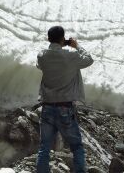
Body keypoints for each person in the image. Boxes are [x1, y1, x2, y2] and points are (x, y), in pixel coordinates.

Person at [36, 25, 94, 173]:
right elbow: (89, 60)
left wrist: (59, 45)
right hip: (65, 108)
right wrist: (76, 46)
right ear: (63, 39)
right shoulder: (71, 56)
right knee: (76, 147)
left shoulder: (42, 56)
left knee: (44, 148)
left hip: (47, 107)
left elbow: (39, 65)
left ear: (48, 39)